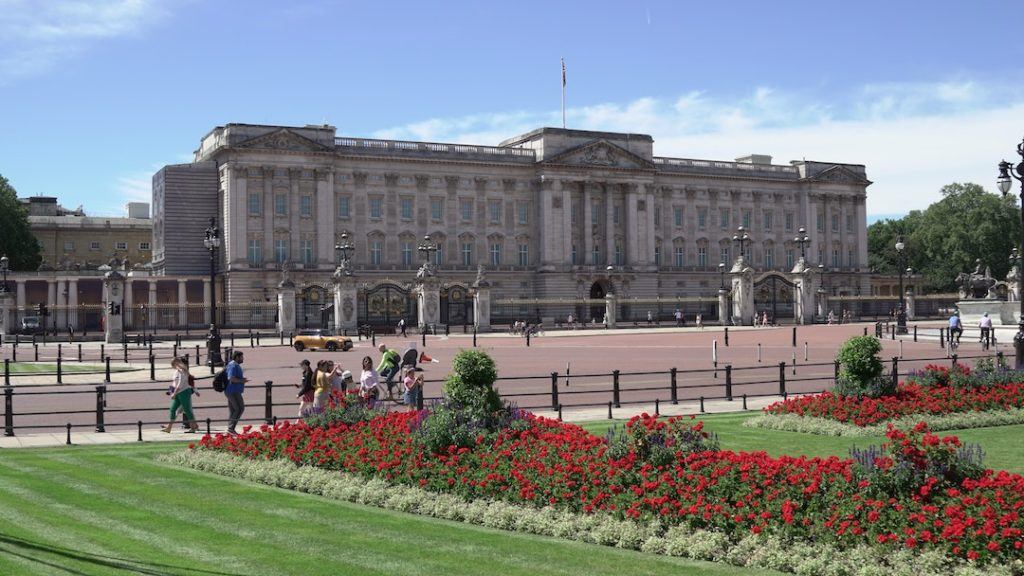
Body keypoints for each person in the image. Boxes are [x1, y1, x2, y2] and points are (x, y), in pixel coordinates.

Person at [163, 357, 198, 433]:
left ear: (176, 363)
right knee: (172, 409)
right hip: (178, 392)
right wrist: (171, 391)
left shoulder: (182, 371)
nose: (172, 366)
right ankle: (169, 428)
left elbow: (180, 384)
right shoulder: (177, 371)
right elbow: (174, 382)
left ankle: (193, 428)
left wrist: (174, 393)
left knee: (187, 410)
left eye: (172, 364)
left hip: (184, 392)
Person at [224, 350, 247, 435]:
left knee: (233, 409)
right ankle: (231, 428)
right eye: (241, 357)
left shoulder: (234, 365)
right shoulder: (233, 365)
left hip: (233, 390)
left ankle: (230, 428)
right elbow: (231, 378)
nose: (242, 359)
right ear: (237, 357)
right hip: (232, 391)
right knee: (239, 408)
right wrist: (242, 381)